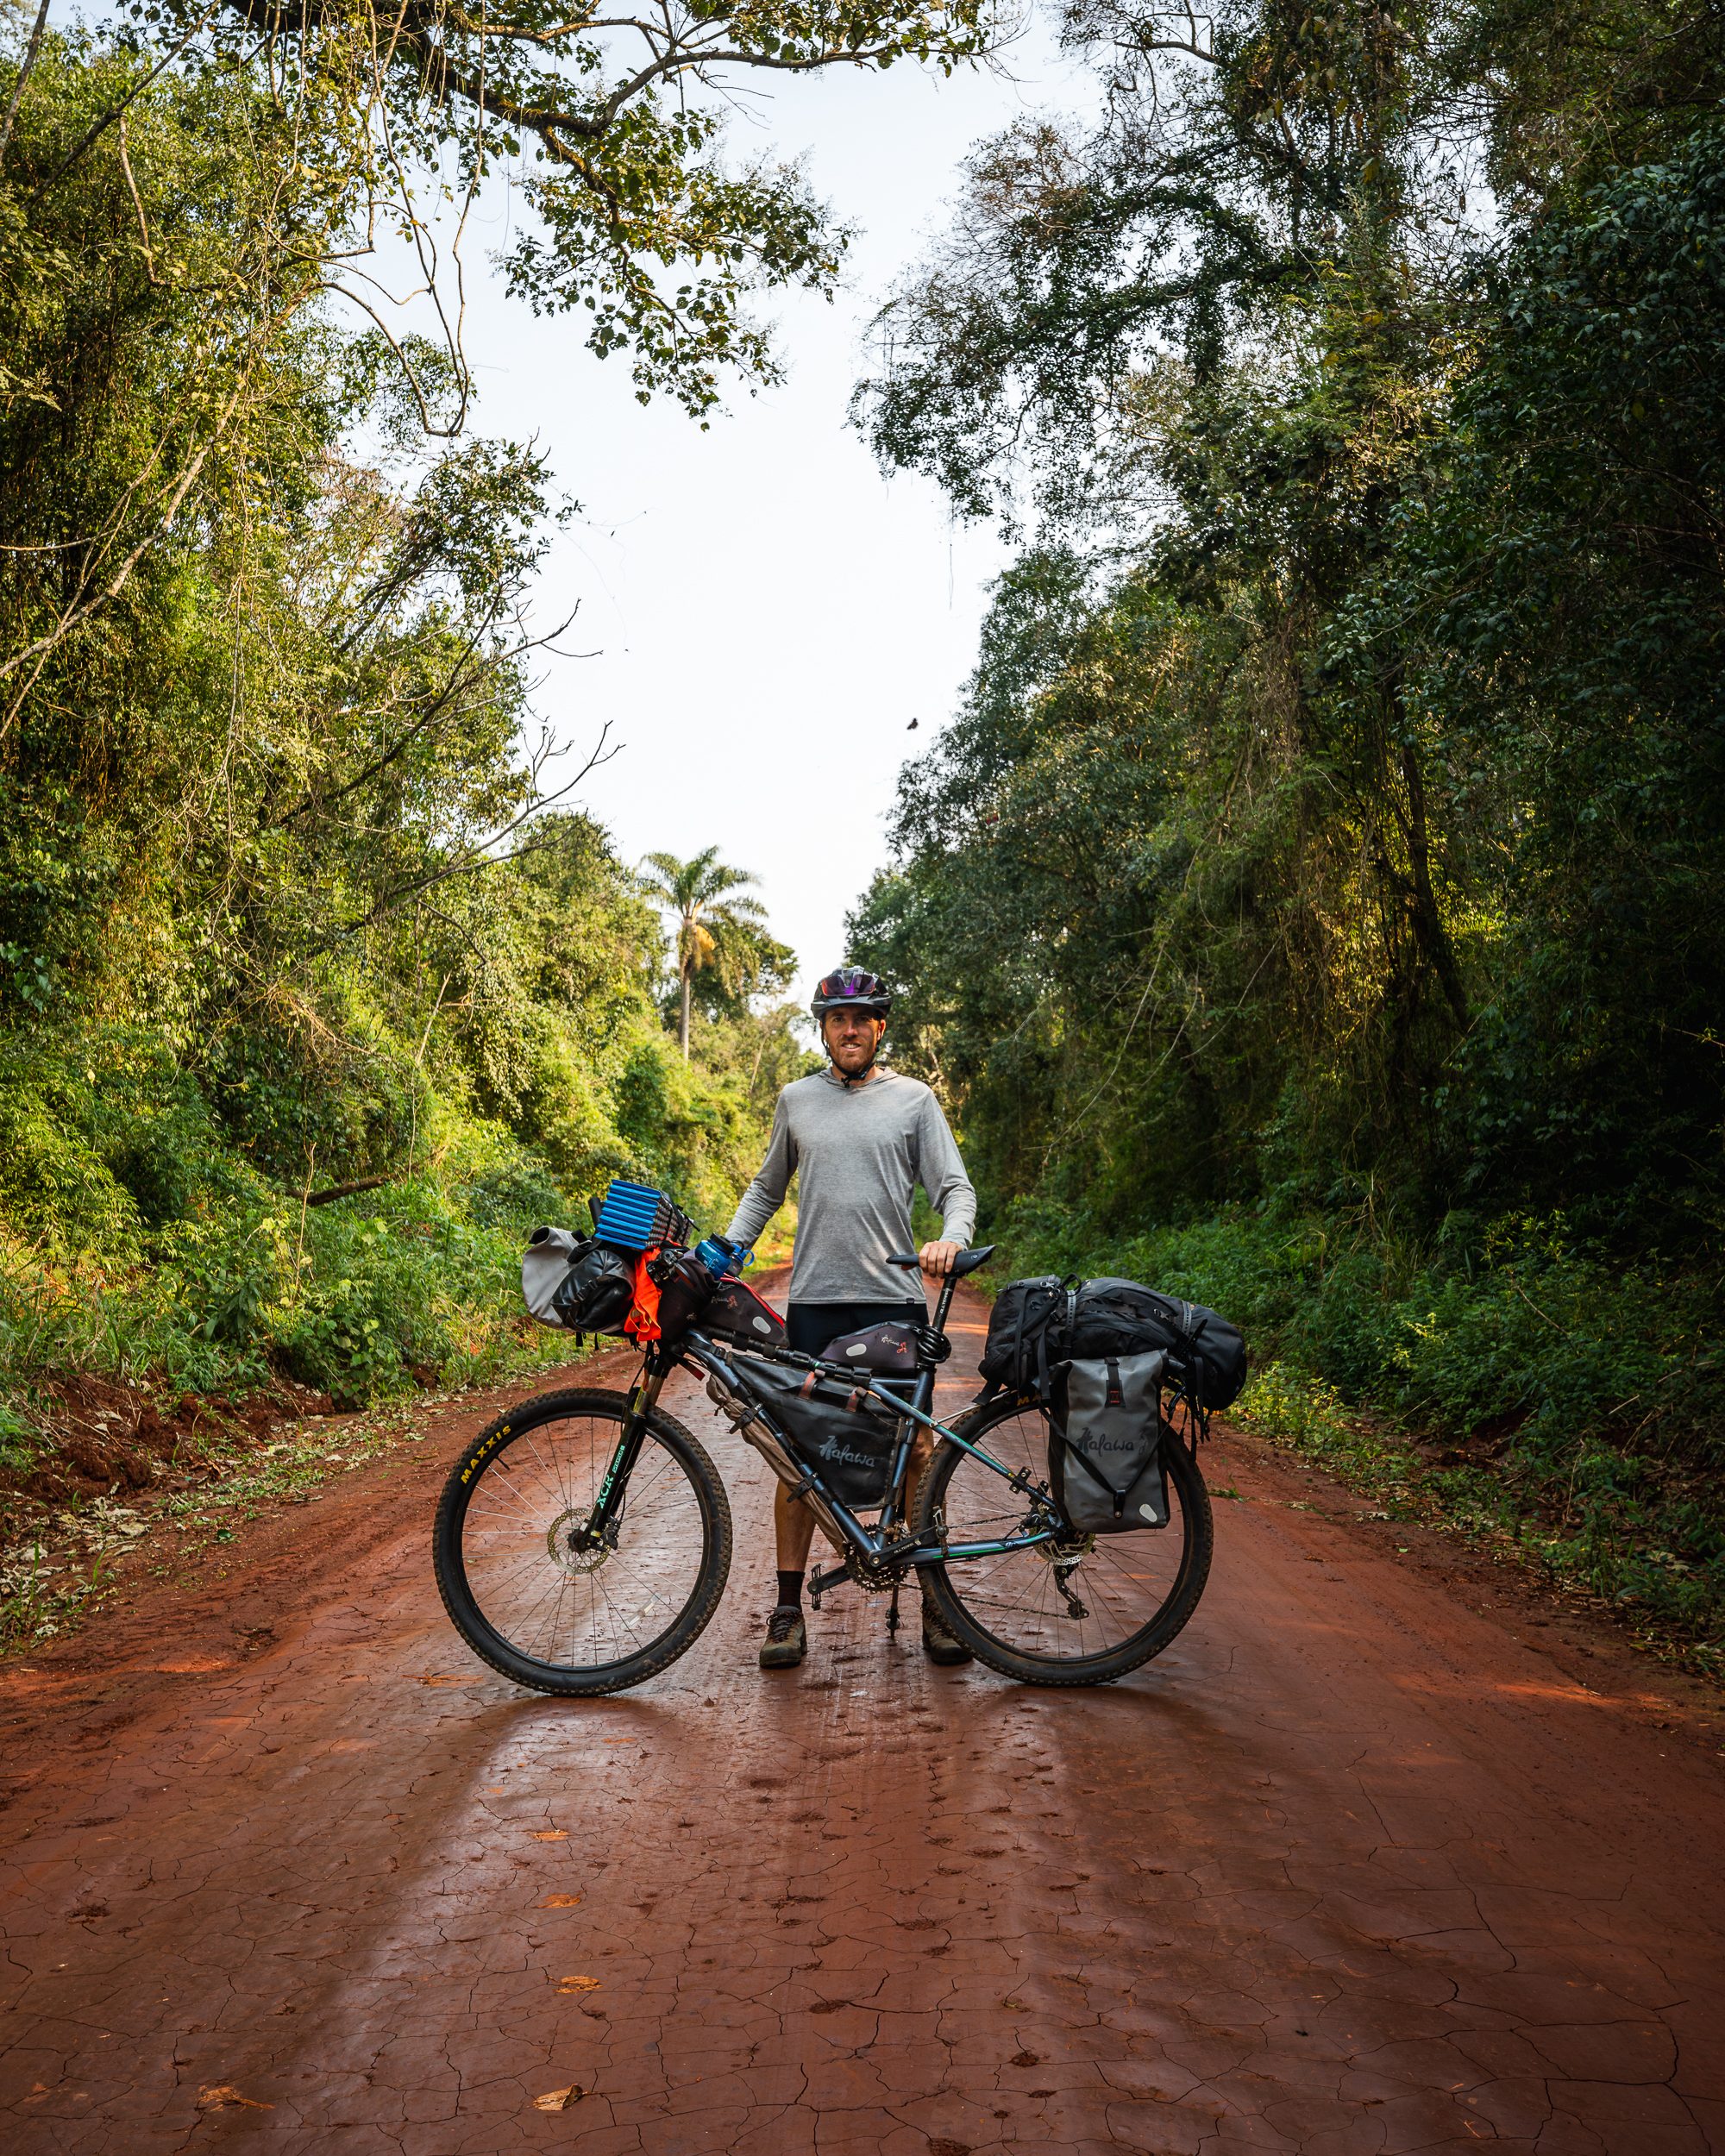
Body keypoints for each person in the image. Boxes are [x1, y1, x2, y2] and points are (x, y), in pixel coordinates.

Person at [724, 966, 977, 1671]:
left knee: (915, 1450)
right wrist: (727, 1250)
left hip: (893, 1301)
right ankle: (786, 1610)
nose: (851, 1029)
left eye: (862, 1018)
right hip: (814, 1304)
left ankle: (936, 1604)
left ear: (880, 1027)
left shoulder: (914, 1100)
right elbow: (765, 1189)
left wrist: (951, 1239)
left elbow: (954, 1188)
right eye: (838, 1019)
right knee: (796, 1452)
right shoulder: (796, 1099)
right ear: (824, 1030)